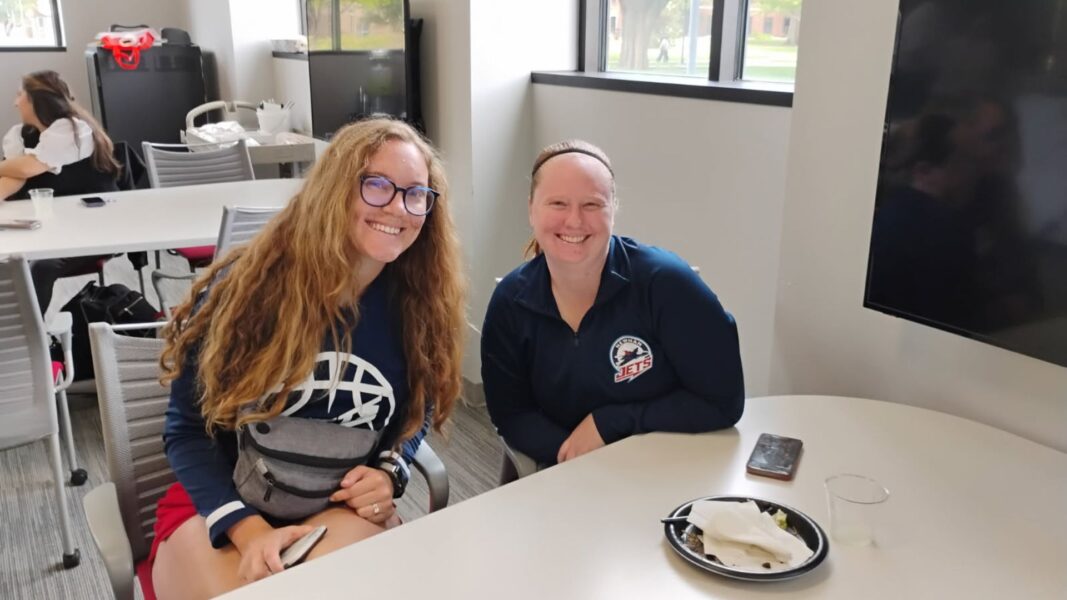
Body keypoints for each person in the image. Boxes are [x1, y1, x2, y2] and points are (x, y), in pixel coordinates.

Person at [151, 118, 466, 599]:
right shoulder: (246, 291)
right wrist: (248, 530)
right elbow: (186, 430)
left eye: (415, 193)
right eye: (377, 186)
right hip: (221, 506)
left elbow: (414, 413)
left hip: (332, 511)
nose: (398, 207)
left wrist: (390, 469)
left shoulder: (418, 303)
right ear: (335, 188)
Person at [481, 140, 744, 469]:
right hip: (566, 475)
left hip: (669, 466)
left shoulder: (665, 282)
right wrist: (573, 458)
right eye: (558, 203)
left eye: (592, 204)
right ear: (531, 208)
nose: (574, 220)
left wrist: (611, 422)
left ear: (613, 210)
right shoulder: (510, 304)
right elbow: (512, 414)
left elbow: (722, 402)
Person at [0, 70, 121, 313]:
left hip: (93, 228)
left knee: (41, 266)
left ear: (37, 100)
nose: (15, 102)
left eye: (20, 95)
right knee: (13, 262)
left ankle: (31, 339)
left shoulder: (73, 129)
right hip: (52, 230)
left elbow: (28, 167)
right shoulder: (20, 135)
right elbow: (14, 179)